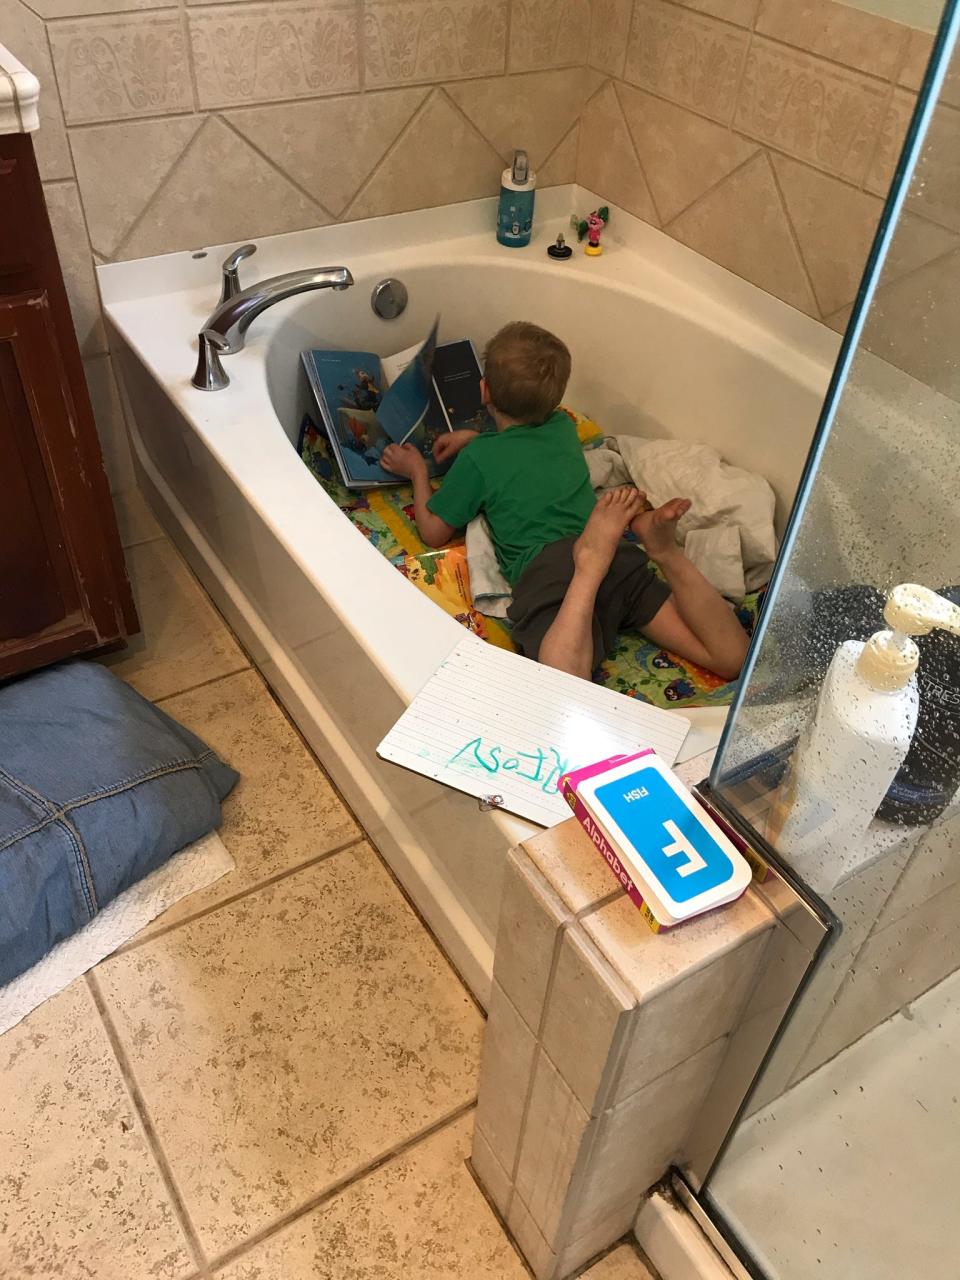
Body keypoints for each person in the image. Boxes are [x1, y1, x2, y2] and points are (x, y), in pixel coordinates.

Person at [382, 322, 748, 683]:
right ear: (555, 399)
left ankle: (589, 564)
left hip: (553, 572)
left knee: (562, 683)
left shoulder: (479, 458)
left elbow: (433, 531)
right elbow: (522, 443)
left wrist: (417, 472)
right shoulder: (561, 426)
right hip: (617, 557)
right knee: (731, 659)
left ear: (484, 390)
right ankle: (665, 552)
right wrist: (476, 436)